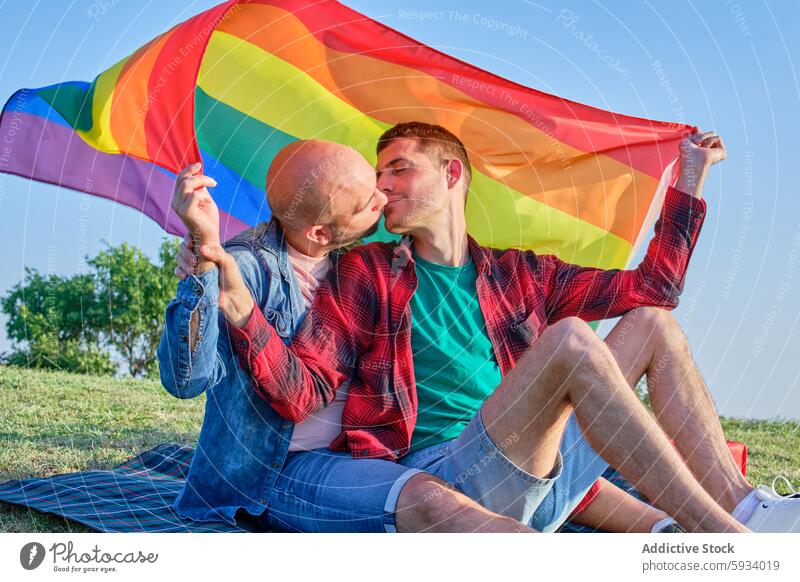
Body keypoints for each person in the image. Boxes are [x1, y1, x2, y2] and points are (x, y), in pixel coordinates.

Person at [195, 122, 798, 533]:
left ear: (452, 174)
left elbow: (656, 287)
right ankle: (727, 540)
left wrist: (690, 175)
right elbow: (303, 386)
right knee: (568, 341)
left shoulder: (520, 275)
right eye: (379, 175)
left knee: (652, 322)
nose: (383, 186)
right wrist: (237, 299)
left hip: (538, 472)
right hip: (443, 475)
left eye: (400, 169)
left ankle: (745, 509)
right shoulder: (366, 272)